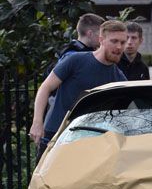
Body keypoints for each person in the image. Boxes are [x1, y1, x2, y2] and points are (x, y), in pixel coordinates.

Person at [30, 20, 129, 154]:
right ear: (101, 40)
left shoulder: (119, 77)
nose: (119, 47)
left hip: (89, 140)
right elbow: (45, 87)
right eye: (114, 41)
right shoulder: (76, 60)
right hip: (56, 134)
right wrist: (37, 122)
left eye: (122, 42)